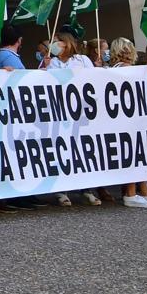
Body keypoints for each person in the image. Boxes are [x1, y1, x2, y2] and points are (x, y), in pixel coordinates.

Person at [105, 38, 147, 209]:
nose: (127, 52)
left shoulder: (116, 69)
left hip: (130, 117)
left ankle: (145, 192)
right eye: (124, 49)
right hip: (129, 119)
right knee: (135, 155)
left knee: (139, 155)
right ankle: (131, 194)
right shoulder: (126, 69)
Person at [41, 31, 99, 206]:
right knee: (62, 149)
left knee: (83, 150)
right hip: (60, 114)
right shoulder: (52, 63)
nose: (54, 45)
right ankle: (61, 191)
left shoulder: (82, 60)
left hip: (81, 113)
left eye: (57, 42)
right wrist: (44, 68)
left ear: (66, 43)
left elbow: (94, 80)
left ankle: (87, 189)